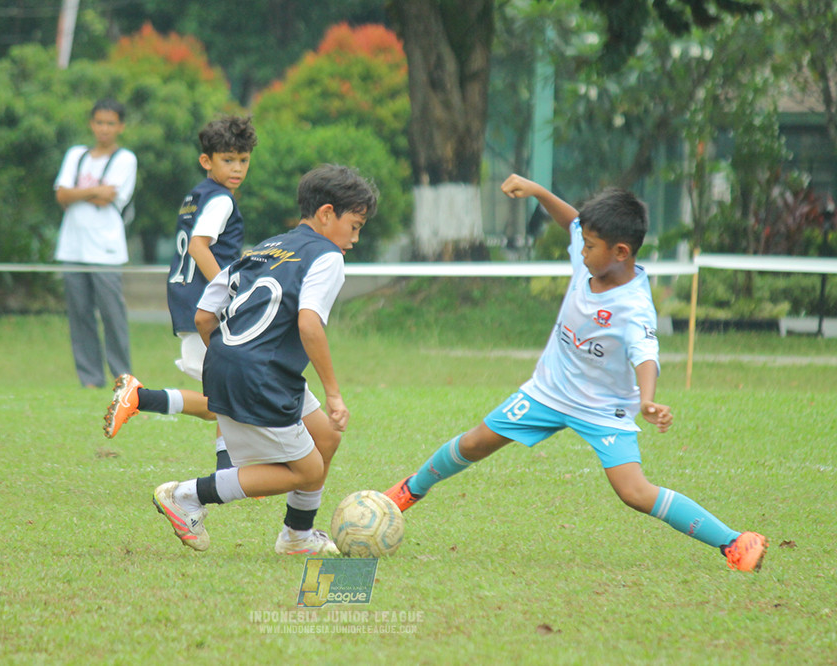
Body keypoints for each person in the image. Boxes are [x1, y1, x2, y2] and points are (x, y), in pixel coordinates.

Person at [384, 174, 768, 573]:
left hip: (603, 410)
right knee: (476, 441)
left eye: (589, 246)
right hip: (547, 391)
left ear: (620, 251)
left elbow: (646, 355)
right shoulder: (589, 259)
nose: (580, 251)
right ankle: (409, 490)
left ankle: (734, 541)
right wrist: (538, 191)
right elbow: (572, 222)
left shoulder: (633, 306)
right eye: (582, 243)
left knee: (634, 492)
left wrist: (647, 397)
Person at [150, 164, 377, 555]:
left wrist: (227, 356)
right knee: (307, 471)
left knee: (325, 438)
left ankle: (297, 537)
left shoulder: (267, 247)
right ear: (326, 214)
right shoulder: (327, 257)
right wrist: (335, 395)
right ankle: (188, 495)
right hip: (262, 372)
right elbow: (309, 325)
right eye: (354, 226)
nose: (354, 239)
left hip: (243, 363)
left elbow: (205, 315)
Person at [103, 116, 257, 471]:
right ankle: (140, 398)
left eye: (243, 160)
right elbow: (200, 247)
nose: (236, 168)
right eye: (227, 160)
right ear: (207, 161)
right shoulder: (221, 201)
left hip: (188, 300)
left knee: (226, 393)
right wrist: (228, 291)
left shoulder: (195, 195)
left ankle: (227, 470)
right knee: (225, 399)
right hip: (208, 307)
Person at [54, 98, 137, 388]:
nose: (104, 128)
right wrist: (93, 191)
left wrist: (78, 192)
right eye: (100, 122)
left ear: (121, 126)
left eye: (111, 123)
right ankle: (89, 378)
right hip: (72, 247)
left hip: (106, 250)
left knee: (112, 316)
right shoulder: (76, 155)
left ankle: (122, 379)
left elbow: (108, 197)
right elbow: (61, 195)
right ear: (91, 123)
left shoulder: (125, 159)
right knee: (80, 315)